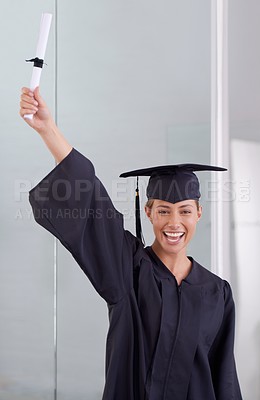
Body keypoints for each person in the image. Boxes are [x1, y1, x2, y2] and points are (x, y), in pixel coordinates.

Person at [20, 87, 243, 400]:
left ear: (199, 214)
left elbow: (225, 380)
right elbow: (93, 204)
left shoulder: (217, 293)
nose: (174, 223)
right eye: (163, 210)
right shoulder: (127, 268)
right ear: (148, 212)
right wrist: (48, 129)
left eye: (185, 211)